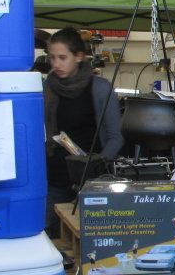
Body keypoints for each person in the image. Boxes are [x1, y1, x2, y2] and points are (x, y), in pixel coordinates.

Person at [43, 28, 124, 235]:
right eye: (52, 57)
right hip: (55, 178)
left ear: (78, 57)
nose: (56, 64)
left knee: (90, 237)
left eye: (62, 58)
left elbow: (115, 138)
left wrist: (95, 167)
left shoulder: (100, 88)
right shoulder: (47, 88)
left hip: (91, 180)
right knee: (51, 235)